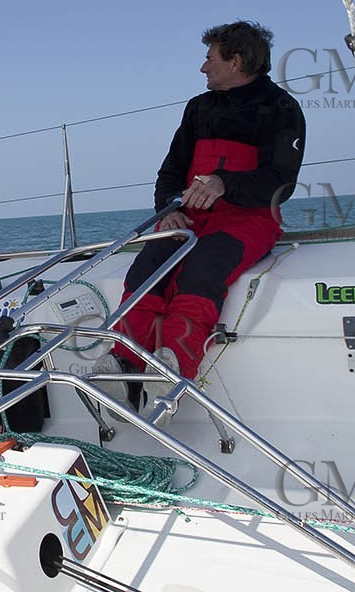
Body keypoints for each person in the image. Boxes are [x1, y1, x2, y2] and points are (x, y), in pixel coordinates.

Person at [95, 21, 305, 409]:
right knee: (147, 268)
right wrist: (168, 209)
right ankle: (123, 364)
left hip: (249, 219)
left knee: (202, 270)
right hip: (188, 216)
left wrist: (225, 183)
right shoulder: (198, 108)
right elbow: (170, 172)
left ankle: (172, 369)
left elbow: (282, 181)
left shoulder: (281, 109)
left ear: (236, 61)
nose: (203, 68)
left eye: (210, 58)